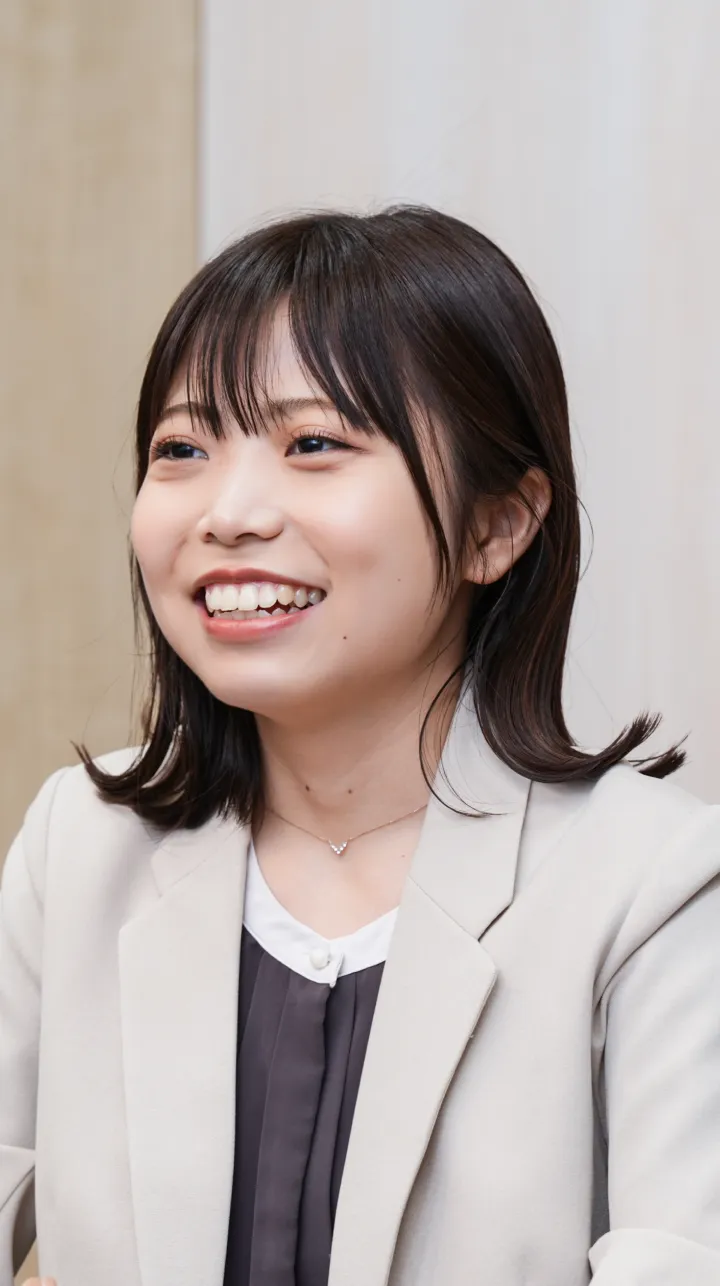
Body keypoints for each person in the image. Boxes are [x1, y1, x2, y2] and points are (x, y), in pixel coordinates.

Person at [3, 206, 720, 1286]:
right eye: (182, 449)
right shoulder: (80, 846)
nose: (229, 513)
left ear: (496, 525)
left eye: (314, 445)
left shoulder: (651, 884)